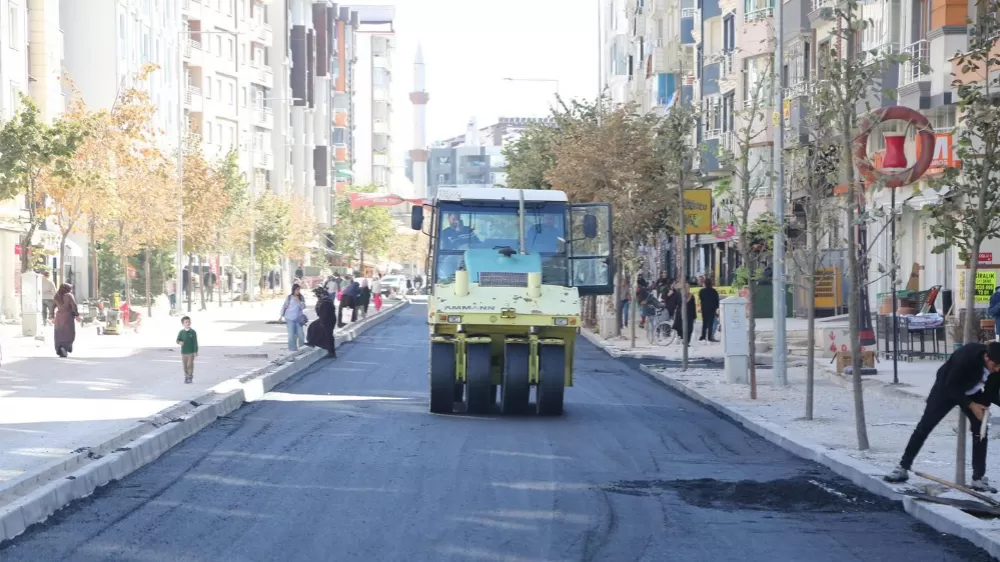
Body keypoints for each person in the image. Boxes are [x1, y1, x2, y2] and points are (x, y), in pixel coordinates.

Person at [884, 342, 1000, 492]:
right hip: (946, 389)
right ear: (986, 357)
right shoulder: (967, 357)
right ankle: (902, 468)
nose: (997, 369)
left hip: (972, 391)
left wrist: (982, 407)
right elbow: (951, 385)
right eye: (995, 365)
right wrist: (971, 405)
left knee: (981, 431)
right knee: (926, 425)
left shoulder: (997, 368)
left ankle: (978, 479)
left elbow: (991, 392)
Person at [306, 287, 337, 358]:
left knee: (328, 335)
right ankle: (313, 342)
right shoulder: (324, 301)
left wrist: (322, 322)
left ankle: (331, 352)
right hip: (326, 319)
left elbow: (325, 314)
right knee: (314, 327)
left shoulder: (326, 302)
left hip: (328, 320)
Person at [53, 283, 79, 358]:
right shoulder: (69, 295)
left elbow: (52, 306)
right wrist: (76, 315)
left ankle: (59, 347)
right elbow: (74, 306)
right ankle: (65, 347)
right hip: (68, 317)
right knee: (69, 333)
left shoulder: (57, 295)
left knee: (59, 333)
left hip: (59, 317)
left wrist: (52, 316)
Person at [280, 284, 307, 351]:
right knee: (291, 334)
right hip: (289, 317)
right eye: (297, 289)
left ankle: (302, 348)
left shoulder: (301, 297)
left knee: (301, 335)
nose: (298, 291)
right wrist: (281, 315)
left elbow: (303, 307)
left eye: (299, 289)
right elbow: (285, 306)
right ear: (294, 290)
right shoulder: (289, 297)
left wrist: (298, 301)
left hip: (298, 318)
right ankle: (292, 349)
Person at [176, 316, 199, 384]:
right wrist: (179, 342)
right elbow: (177, 340)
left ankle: (190, 376)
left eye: (189, 321)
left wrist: (195, 351)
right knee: (185, 365)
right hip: (184, 352)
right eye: (186, 322)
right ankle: (186, 376)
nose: (188, 323)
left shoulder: (193, 332)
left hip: (191, 352)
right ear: (183, 324)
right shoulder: (181, 332)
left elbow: (195, 342)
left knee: (190, 364)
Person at [699, 278, 720, 342]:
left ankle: (703, 336)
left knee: (704, 323)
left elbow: (701, 298)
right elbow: (717, 300)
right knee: (710, 323)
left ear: (704, 283)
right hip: (712, 309)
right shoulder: (714, 291)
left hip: (704, 308)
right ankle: (709, 337)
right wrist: (716, 308)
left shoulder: (702, 291)